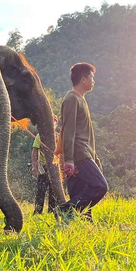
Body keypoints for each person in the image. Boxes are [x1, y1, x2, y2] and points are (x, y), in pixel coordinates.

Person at [57, 62, 108, 219]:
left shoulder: (80, 99)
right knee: (100, 186)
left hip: (85, 153)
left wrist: (94, 157)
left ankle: (77, 229)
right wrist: (70, 160)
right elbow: (69, 131)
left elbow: (86, 133)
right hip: (79, 153)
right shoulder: (72, 99)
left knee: (80, 195)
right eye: (91, 77)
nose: (94, 81)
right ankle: (64, 209)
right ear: (83, 79)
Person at [31, 121, 59, 214]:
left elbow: (62, 153)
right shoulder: (40, 136)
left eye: (53, 123)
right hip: (43, 167)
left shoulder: (58, 137)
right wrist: (35, 166)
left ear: (56, 125)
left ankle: (52, 211)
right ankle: (38, 211)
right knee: (41, 190)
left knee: (53, 190)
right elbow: (35, 151)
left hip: (55, 168)